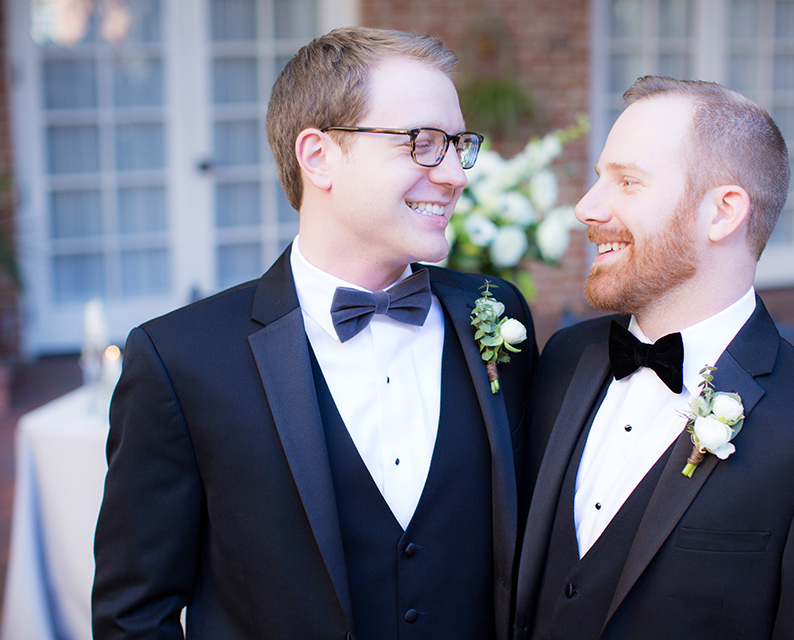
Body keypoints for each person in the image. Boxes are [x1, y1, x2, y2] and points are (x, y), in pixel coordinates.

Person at [92, 27, 536, 640]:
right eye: (422, 144)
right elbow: (134, 615)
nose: (456, 175)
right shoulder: (180, 360)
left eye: (459, 146)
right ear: (319, 156)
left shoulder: (494, 314)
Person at [513, 76, 794, 640]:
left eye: (627, 182)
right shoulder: (568, 358)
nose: (586, 207)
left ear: (723, 212)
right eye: (600, 179)